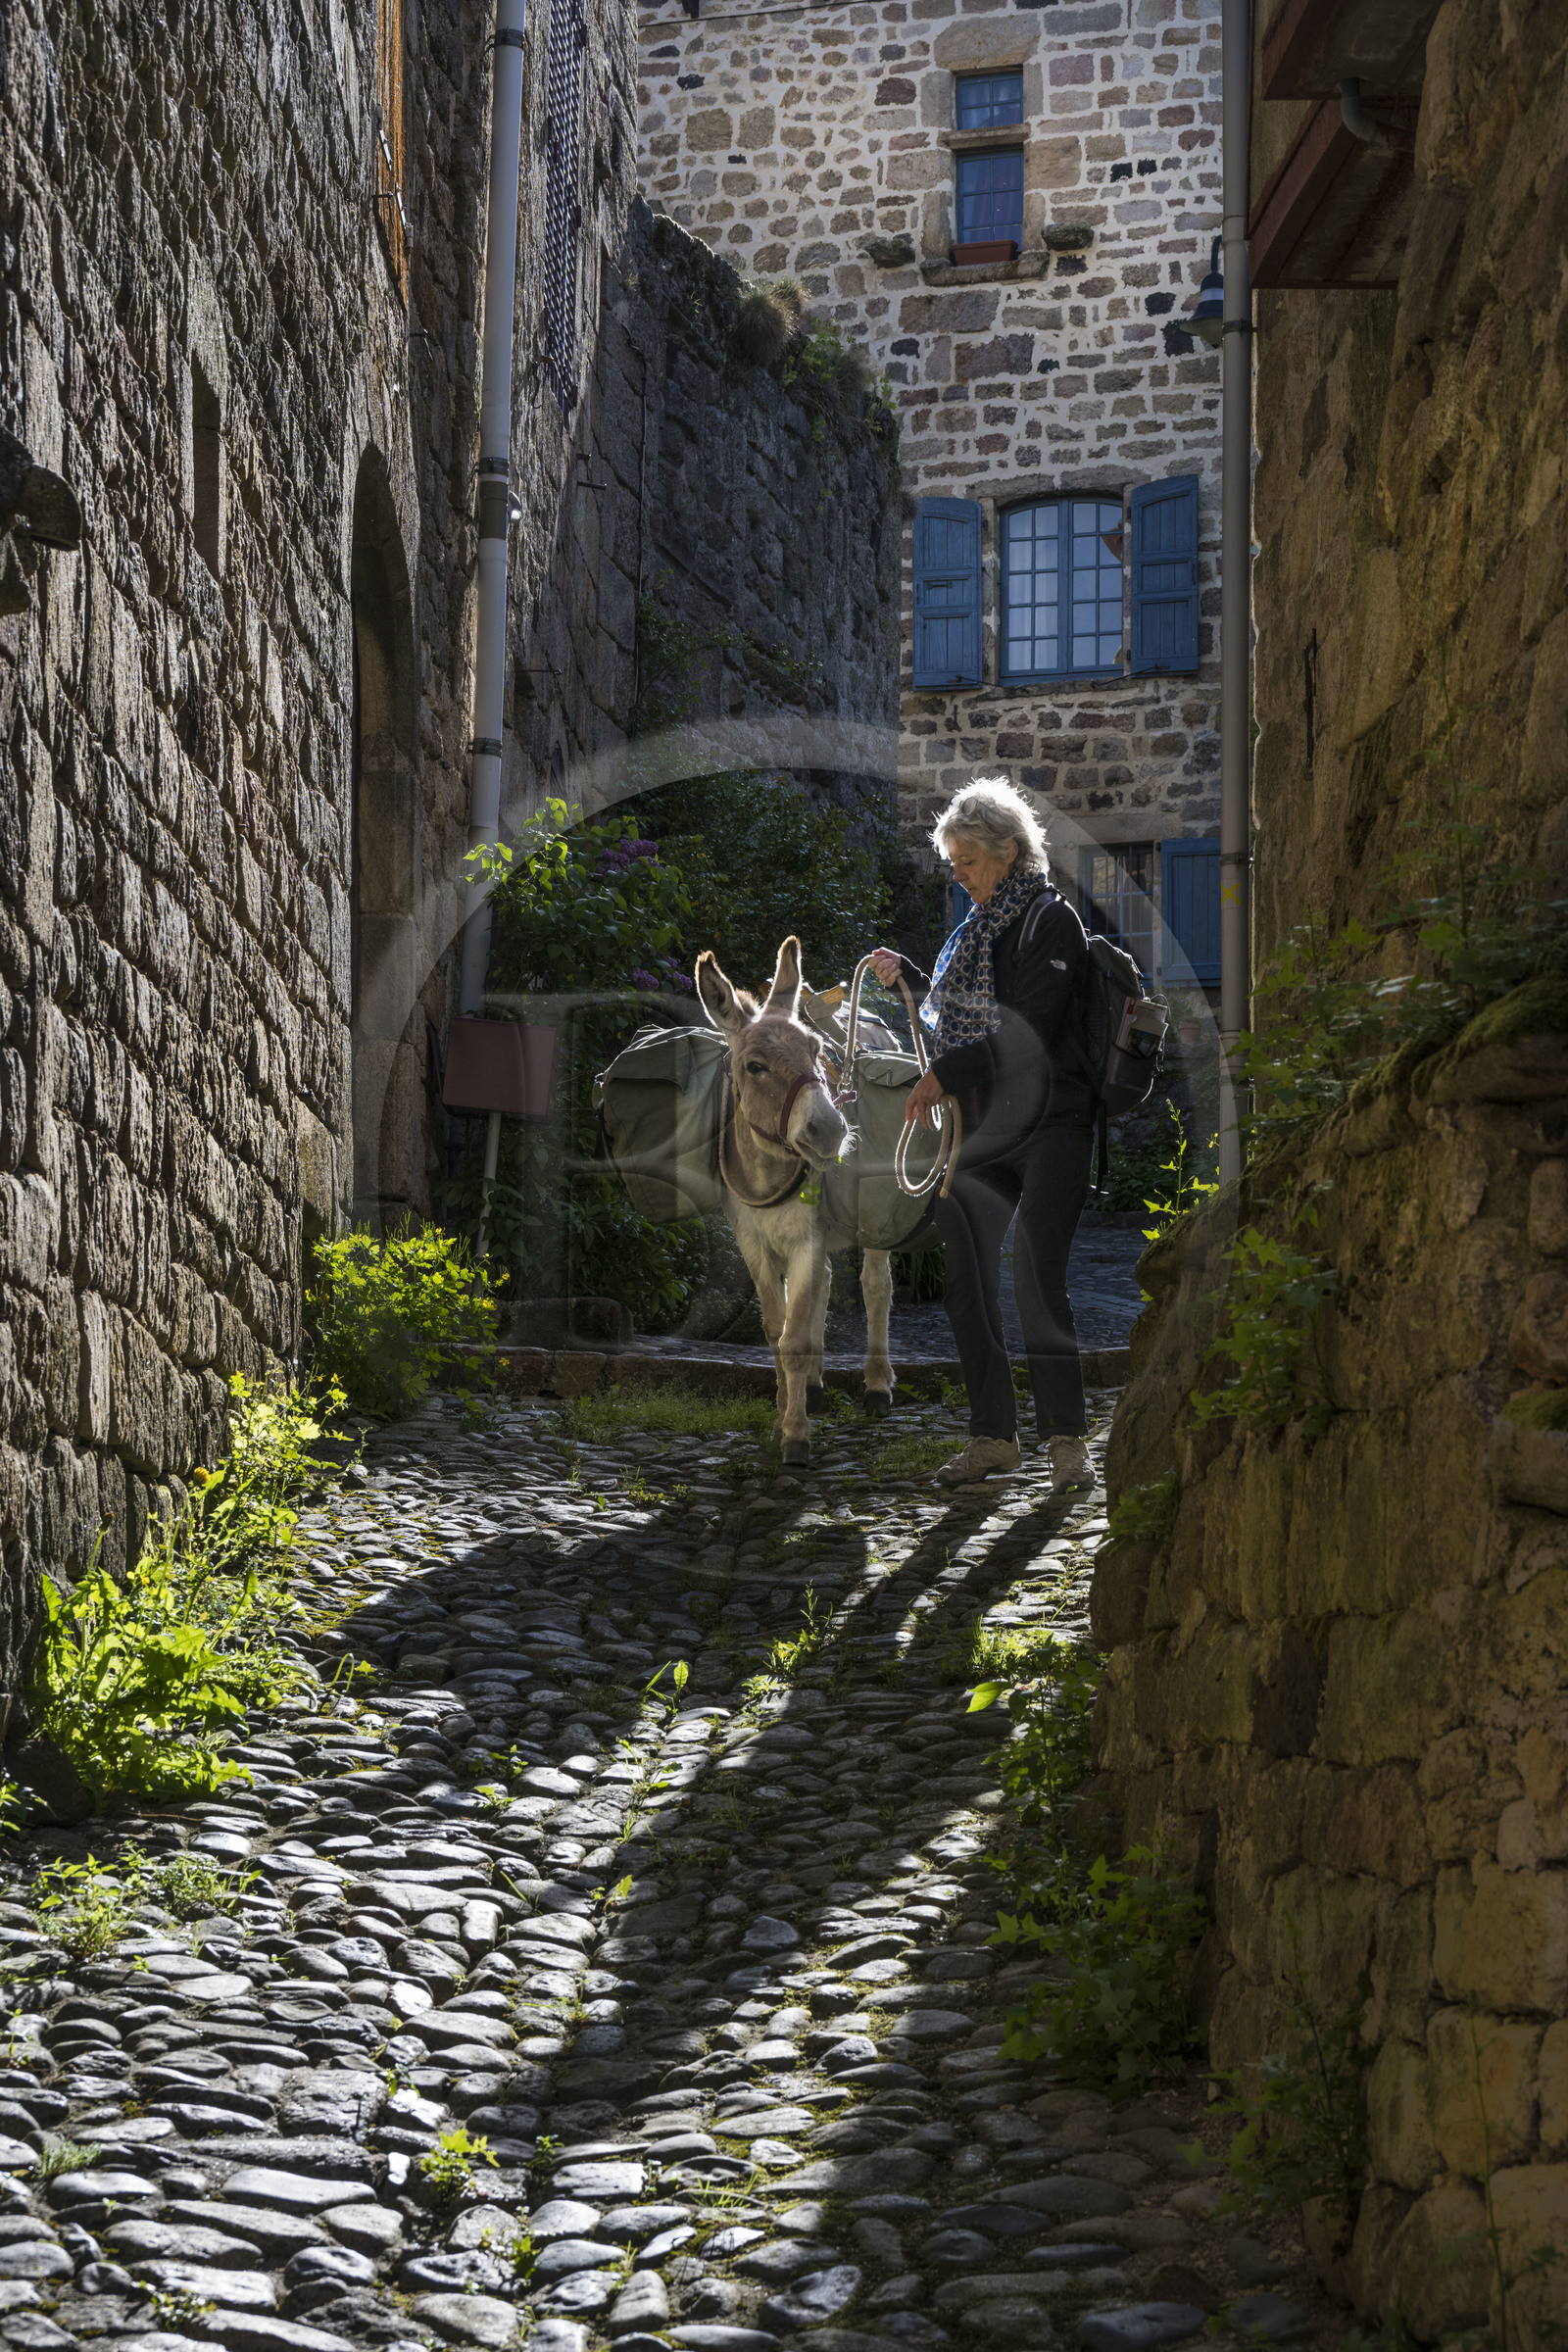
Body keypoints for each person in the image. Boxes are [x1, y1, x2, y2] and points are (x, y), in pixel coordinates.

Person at [870, 778, 1096, 1491]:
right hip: (990, 1128)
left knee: (1035, 1268)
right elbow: (950, 1016)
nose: (958, 873)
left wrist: (945, 1076)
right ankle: (994, 1439)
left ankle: (1066, 1443)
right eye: (954, 862)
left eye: (967, 859)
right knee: (965, 1274)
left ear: (1008, 851)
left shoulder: (1050, 922)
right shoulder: (973, 935)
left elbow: (1024, 1031)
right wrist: (908, 976)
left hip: (1054, 1122)